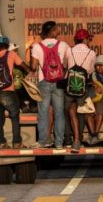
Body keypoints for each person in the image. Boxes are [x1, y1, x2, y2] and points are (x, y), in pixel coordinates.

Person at [29, 21, 72, 149]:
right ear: (52, 31)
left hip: (44, 82)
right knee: (59, 112)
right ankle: (59, 143)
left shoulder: (37, 46)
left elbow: (34, 66)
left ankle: (43, 141)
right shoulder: (63, 45)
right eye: (56, 29)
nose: (58, 31)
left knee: (43, 112)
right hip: (59, 82)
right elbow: (68, 62)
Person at [0, 36, 32, 149]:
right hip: (8, 91)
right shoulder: (11, 54)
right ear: (8, 45)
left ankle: (1, 143)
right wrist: (30, 72)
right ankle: (17, 142)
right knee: (14, 116)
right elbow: (24, 67)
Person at [66, 28, 97, 153]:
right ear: (85, 39)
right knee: (86, 109)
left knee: (71, 110)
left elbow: (66, 66)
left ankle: (76, 140)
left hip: (70, 86)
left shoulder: (69, 50)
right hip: (84, 86)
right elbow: (90, 70)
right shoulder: (92, 53)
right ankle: (92, 134)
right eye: (88, 39)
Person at [87, 55, 103, 145]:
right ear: (95, 66)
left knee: (101, 113)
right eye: (98, 65)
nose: (100, 67)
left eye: (102, 65)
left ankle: (95, 135)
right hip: (90, 98)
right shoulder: (92, 75)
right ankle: (93, 134)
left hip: (100, 99)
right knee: (88, 114)